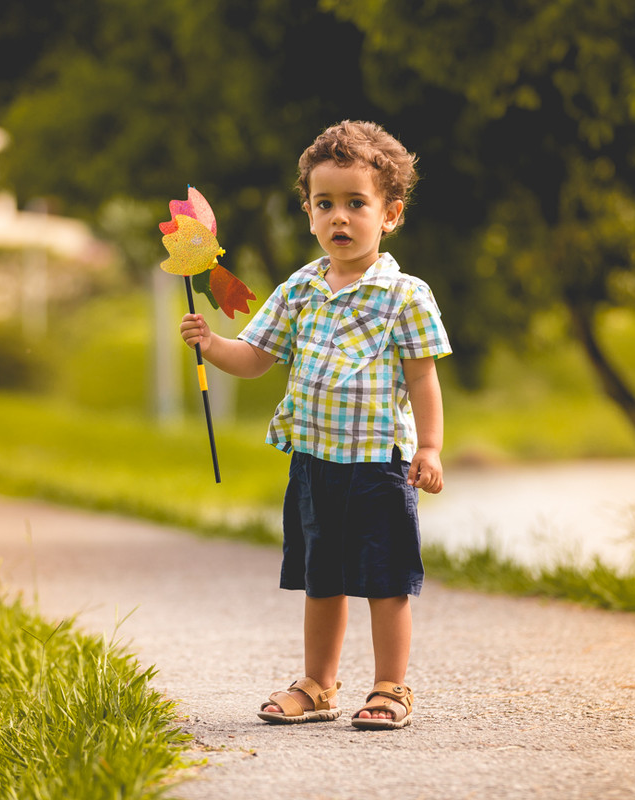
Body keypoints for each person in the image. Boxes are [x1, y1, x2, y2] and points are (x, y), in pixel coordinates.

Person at [179, 120, 452, 730]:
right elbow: (255, 357)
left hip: (379, 466)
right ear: (308, 213)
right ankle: (318, 684)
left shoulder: (405, 295)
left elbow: (422, 379)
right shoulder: (300, 289)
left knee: (385, 580)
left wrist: (429, 447)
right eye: (325, 204)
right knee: (320, 577)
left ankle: (390, 686)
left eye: (357, 203)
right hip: (314, 462)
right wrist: (212, 343)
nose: (340, 218)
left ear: (391, 214)